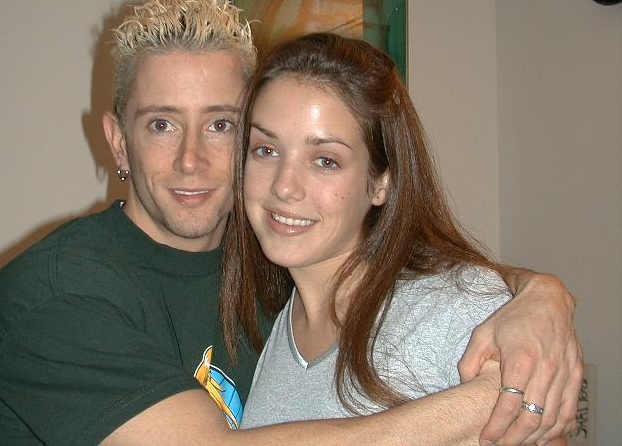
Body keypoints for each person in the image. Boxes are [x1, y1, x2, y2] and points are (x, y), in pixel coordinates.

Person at [0, 0, 581, 445]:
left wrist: (541, 295)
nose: (191, 159)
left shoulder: (273, 261)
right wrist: (484, 402)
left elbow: (432, 285)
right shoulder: (55, 294)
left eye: (221, 125)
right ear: (119, 142)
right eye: (161, 124)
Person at [221, 32, 568, 446]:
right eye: (266, 150)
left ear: (381, 183)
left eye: (325, 160)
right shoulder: (275, 322)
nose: (284, 186)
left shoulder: (453, 310)